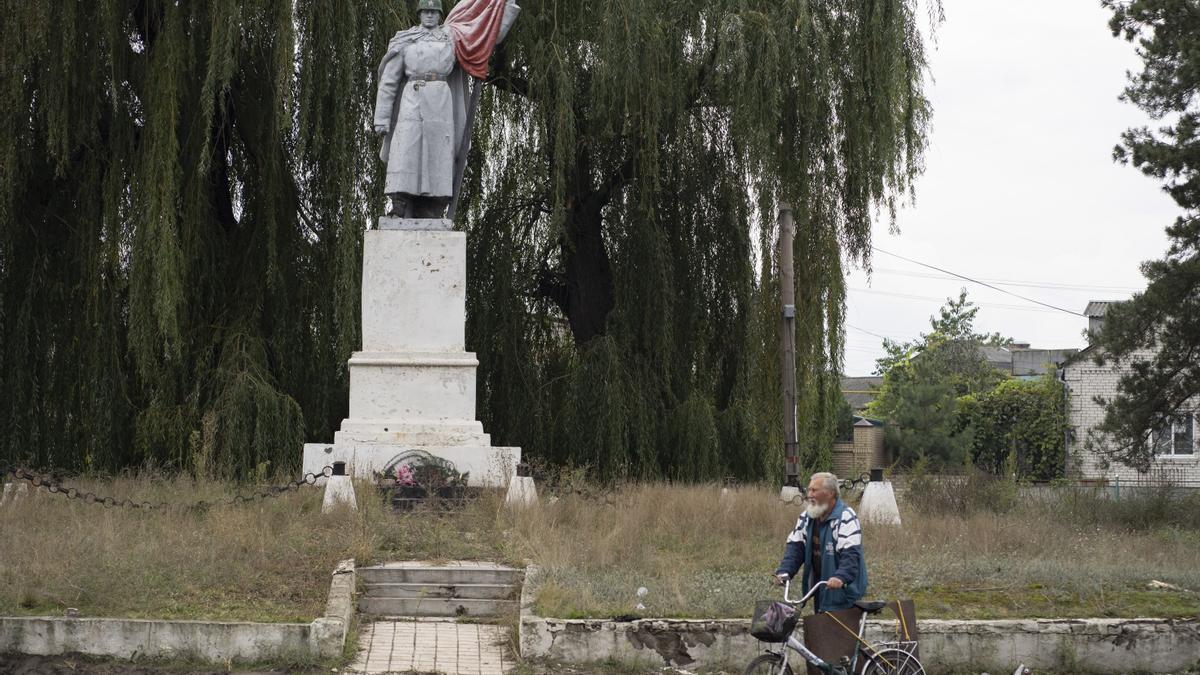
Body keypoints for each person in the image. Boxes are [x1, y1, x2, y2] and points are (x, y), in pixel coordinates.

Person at [373, 0, 520, 218]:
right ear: (420, 13)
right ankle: (400, 204)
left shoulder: (452, 37)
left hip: (440, 101)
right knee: (406, 150)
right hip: (411, 100)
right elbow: (389, 81)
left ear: (440, 14)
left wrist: (503, 6)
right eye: (426, 11)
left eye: (434, 11)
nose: (430, 15)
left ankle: (433, 206)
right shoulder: (405, 39)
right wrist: (382, 118)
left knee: (439, 152)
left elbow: (485, 36)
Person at [772, 472, 867, 613]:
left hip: (843, 592)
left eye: (814, 490)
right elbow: (796, 548)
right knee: (820, 632)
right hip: (821, 587)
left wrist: (841, 577)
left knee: (840, 634)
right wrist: (785, 571)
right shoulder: (807, 517)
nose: (809, 494)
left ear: (830, 493)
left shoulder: (845, 517)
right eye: (809, 489)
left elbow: (851, 554)